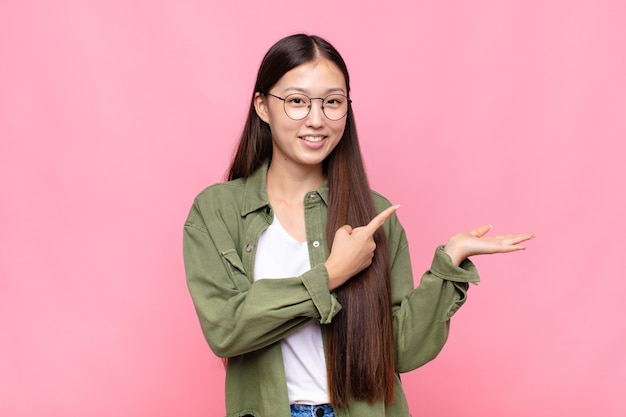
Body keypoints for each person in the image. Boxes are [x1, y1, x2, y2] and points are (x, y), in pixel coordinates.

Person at [183, 33, 533, 417]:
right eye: (297, 101)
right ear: (263, 106)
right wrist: (330, 275)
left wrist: (448, 266)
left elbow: (401, 350)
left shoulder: (374, 215)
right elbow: (226, 329)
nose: (316, 120)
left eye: (332, 102)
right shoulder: (216, 211)